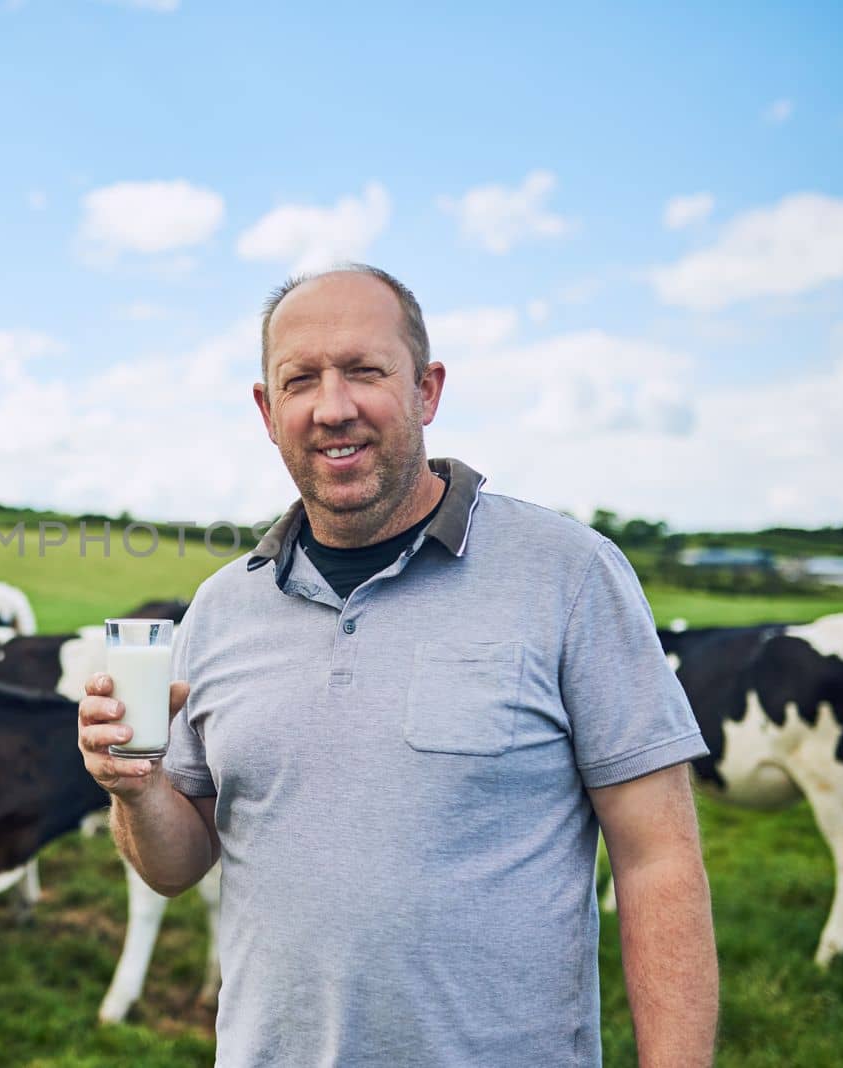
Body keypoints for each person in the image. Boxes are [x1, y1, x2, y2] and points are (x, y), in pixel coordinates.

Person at [78, 265, 718, 1066]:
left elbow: (658, 860)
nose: (333, 406)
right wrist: (135, 791)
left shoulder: (569, 574)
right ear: (266, 411)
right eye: (300, 379)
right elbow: (176, 867)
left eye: (365, 371)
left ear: (426, 390)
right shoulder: (218, 610)